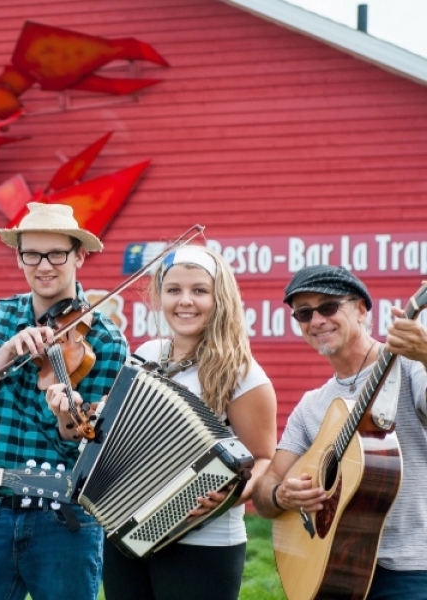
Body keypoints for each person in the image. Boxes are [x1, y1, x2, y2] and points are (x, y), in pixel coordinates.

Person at [49, 244, 276, 600]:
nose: (185, 301)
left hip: (205, 542)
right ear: (160, 297)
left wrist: (229, 496)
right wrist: (74, 418)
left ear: (221, 299)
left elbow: (264, 458)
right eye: (174, 290)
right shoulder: (146, 354)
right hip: (125, 530)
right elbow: (112, 435)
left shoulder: (243, 375)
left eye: (199, 290)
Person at [0, 202, 129, 600]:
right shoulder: (2, 315)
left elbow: (91, 444)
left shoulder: (106, 340)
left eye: (57, 254)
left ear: (80, 256)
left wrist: (64, 415)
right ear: (19, 257)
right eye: (31, 254)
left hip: (66, 519)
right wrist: (6, 352)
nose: (43, 266)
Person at [252, 265, 427, 599]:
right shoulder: (311, 405)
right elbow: (266, 487)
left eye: (328, 307)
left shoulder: (408, 366)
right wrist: (281, 496)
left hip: (414, 567)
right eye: (304, 313)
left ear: (361, 309)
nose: (316, 320)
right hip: (334, 569)